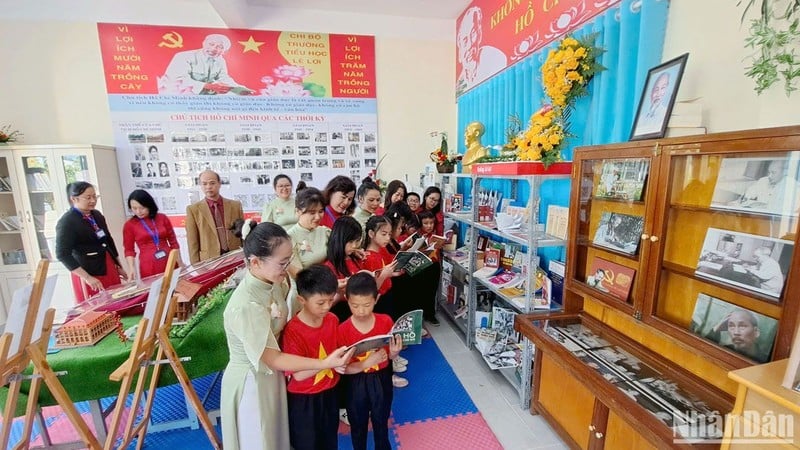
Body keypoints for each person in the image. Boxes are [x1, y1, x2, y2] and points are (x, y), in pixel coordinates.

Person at [221, 220, 353, 450]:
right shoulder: (246, 304)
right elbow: (272, 358)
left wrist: (326, 293)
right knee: (260, 438)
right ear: (255, 262)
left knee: (278, 437)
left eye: (289, 259)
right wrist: (324, 363)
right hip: (253, 380)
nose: (288, 267)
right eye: (283, 263)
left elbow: (293, 307)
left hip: (274, 376)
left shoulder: (274, 282)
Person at [339, 272, 404, 450]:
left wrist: (394, 353)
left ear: (376, 299)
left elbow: (388, 356)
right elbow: (342, 368)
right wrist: (364, 364)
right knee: (358, 424)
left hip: (381, 379)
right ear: (346, 299)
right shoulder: (342, 329)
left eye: (367, 305)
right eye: (355, 305)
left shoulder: (385, 321)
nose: (361, 311)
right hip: (356, 382)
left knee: (381, 422)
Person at [281, 265, 342, 450]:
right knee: (307, 443)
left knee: (330, 439)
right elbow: (298, 375)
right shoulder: (293, 330)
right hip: (305, 400)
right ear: (301, 300)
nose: (327, 307)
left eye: (331, 300)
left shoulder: (332, 319)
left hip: (330, 391)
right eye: (320, 302)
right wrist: (328, 363)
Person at [55, 182, 127, 302]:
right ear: (74, 199)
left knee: (117, 301)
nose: (93, 200)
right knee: (99, 307)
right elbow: (62, 254)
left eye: (95, 196)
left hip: (107, 265)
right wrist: (87, 277)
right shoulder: (67, 222)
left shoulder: (96, 215)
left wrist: (118, 265)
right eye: (88, 197)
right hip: (89, 271)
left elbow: (108, 240)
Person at [160, 33, 254, 95]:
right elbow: (179, 80)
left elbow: (223, 78)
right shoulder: (183, 56)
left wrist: (239, 89)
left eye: (219, 47)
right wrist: (207, 86)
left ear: (224, 51)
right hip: (177, 94)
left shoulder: (220, 60)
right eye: (211, 44)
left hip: (202, 96)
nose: (213, 49)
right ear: (204, 43)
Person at [122, 189, 183, 281]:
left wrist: (180, 261)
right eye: (134, 208)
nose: (138, 211)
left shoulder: (162, 218)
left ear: (149, 205)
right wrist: (131, 268)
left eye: (142, 208)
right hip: (148, 264)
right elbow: (129, 250)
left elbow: (173, 242)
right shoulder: (130, 225)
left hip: (169, 260)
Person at [185, 170, 243, 264]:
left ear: (219, 184)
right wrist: (196, 265)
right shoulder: (193, 210)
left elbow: (242, 234)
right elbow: (192, 242)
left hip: (235, 257)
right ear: (200, 186)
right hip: (209, 261)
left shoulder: (235, 205)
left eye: (212, 183)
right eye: (204, 184)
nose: (208, 187)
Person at [456, 6, 507, 92]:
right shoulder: (460, 84)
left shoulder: (493, 57)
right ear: (460, 48)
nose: (469, 45)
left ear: (479, 35)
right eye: (465, 40)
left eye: (473, 34)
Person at [323, 216, 365, 321]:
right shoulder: (329, 267)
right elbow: (326, 304)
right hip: (343, 315)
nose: (354, 246)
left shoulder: (355, 258)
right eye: (350, 242)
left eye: (357, 241)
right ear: (339, 239)